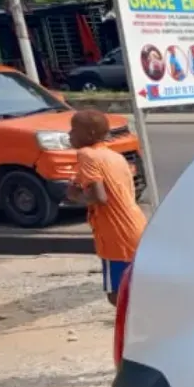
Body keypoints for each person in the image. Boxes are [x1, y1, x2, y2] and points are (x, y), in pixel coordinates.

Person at [65, 110, 146, 308]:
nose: (69, 134)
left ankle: (133, 330)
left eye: (74, 130)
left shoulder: (86, 155)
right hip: (135, 227)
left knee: (116, 295)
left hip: (116, 236)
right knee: (135, 288)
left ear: (90, 134)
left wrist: (76, 196)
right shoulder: (113, 156)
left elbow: (99, 197)